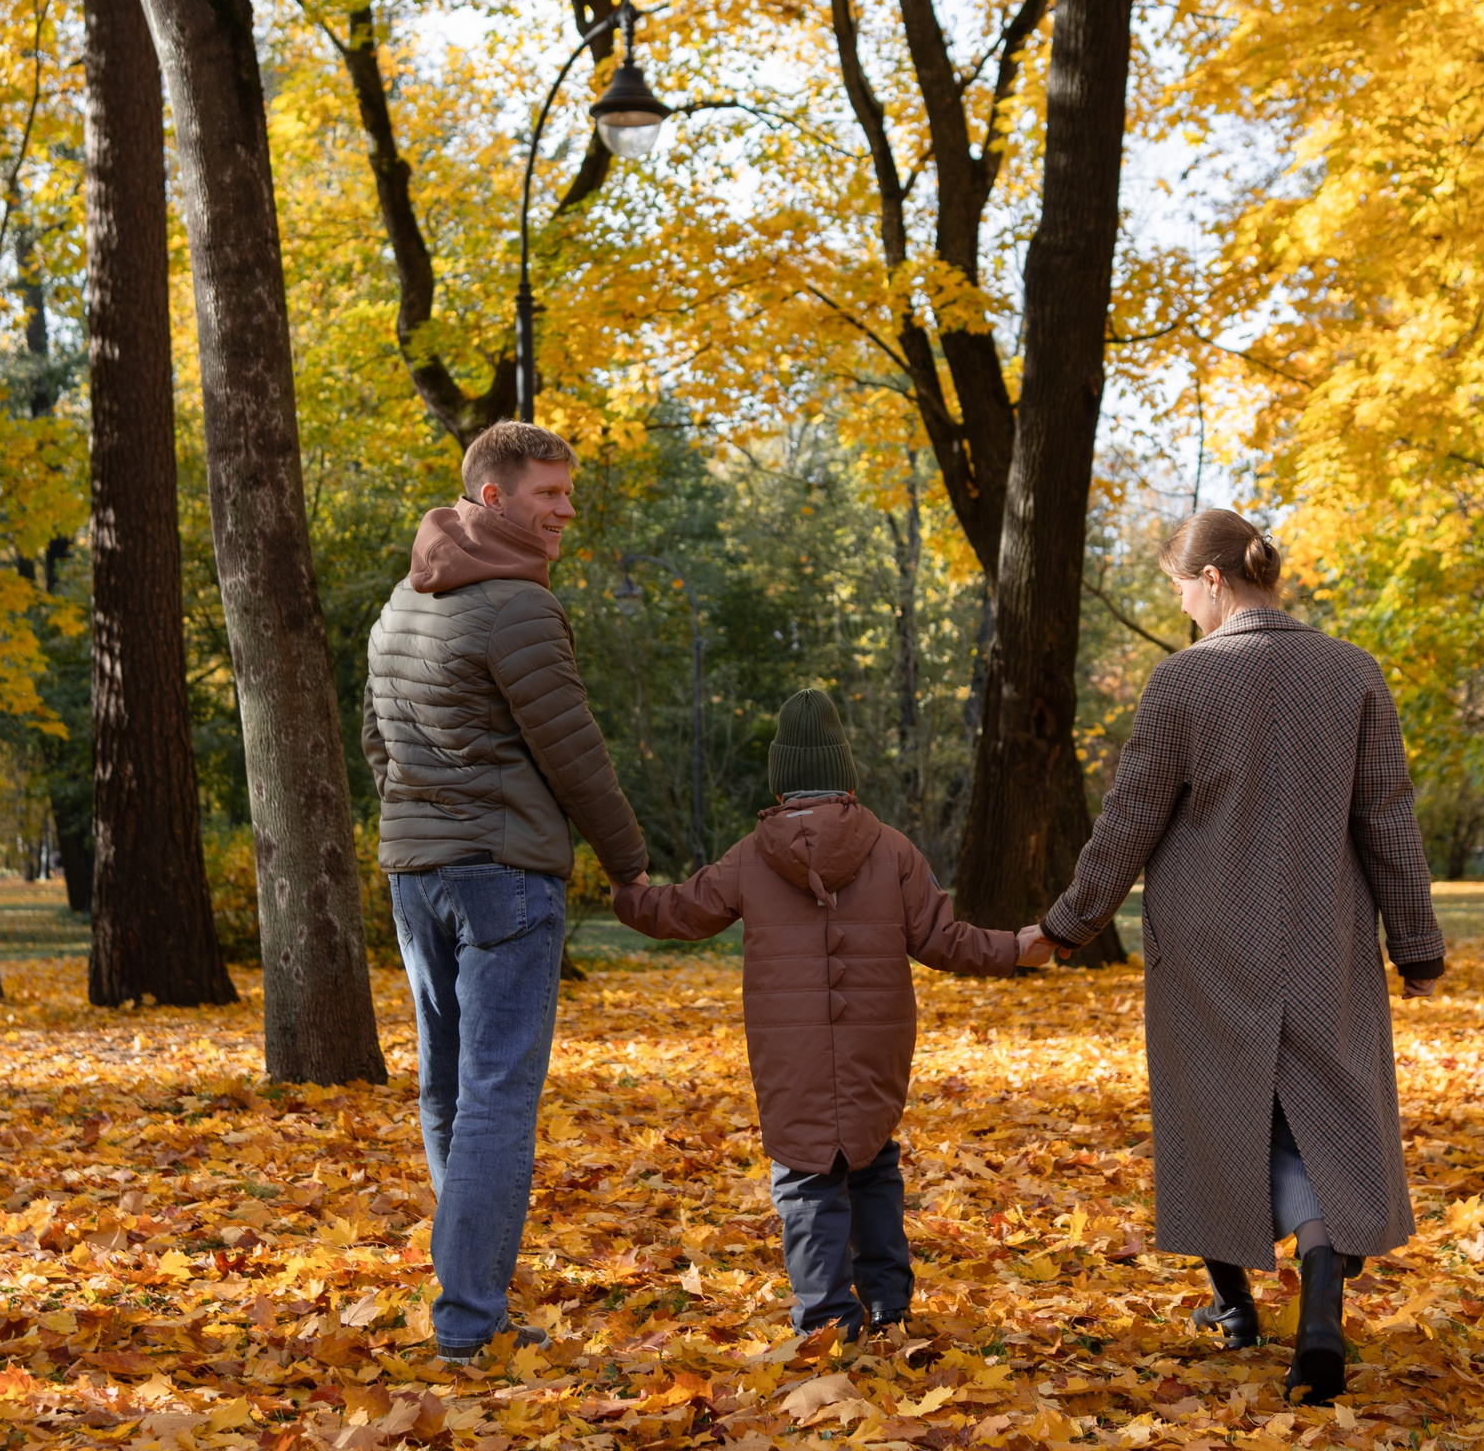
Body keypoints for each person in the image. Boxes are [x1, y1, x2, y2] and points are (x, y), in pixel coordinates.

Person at [1035, 508, 1443, 1403]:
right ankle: (1321, 1318)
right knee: (1320, 1125)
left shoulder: (1183, 683)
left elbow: (1130, 821)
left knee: (1216, 1118)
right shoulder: (1354, 674)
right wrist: (1417, 946)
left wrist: (1070, 922)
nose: (1182, 607)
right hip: (1325, 940)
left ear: (1213, 580)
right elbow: (1388, 820)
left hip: (1209, 949)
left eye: (1182, 589)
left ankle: (1234, 1306)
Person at [613, 689, 1055, 1339]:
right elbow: (943, 939)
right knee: (873, 1163)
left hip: (789, 1054)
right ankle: (887, 1301)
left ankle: (825, 1317)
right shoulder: (892, 850)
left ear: (783, 776)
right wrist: (1015, 947)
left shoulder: (750, 856)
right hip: (877, 1045)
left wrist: (629, 891)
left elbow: (681, 910)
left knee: (805, 1176)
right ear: (844, 772)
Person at [363, 420, 649, 1365]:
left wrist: (418, 823)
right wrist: (629, 864)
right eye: (549, 495)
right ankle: (469, 1319)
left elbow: (377, 743)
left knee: (446, 1087)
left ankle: (467, 1301)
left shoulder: (402, 601)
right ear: (493, 498)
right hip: (504, 878)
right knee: (493, 1096)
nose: (567, 511)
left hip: (417, 876)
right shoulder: (517, 607)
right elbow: (576, 756)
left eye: (568, 494)